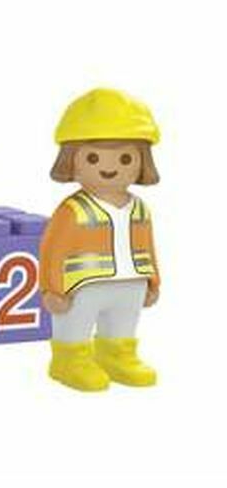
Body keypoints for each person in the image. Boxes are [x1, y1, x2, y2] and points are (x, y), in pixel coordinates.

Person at [40, 88, 160, 391]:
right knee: (75, 325)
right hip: (82, 287)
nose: (110, 167)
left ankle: (117, 355)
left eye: (125, 157)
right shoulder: (73, 210)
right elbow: (52, 251)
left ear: (142, 161)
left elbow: (148, 248)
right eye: (93, 157)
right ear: (71, 160)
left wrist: (153, 282)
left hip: (131, 283)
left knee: (123, 323)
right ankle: (69, 359)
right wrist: (51, 288)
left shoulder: (140, 208)